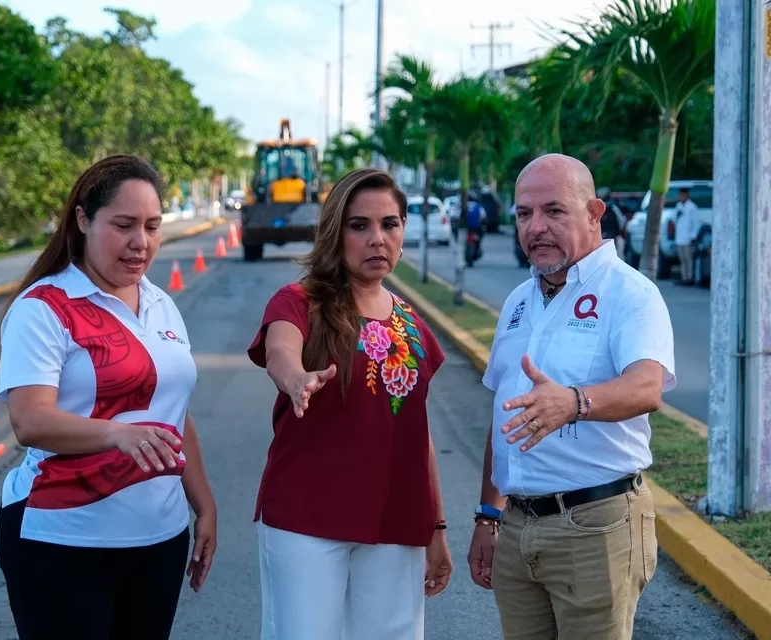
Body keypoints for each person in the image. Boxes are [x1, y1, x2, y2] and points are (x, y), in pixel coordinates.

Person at [0, 154, 217, 640]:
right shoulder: (44, 308)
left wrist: (204, 507)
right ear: (83, 219)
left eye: (152, 227)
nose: (141, 242)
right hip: (62, 537)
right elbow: (29, 420)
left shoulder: (161, 303)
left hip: (160, 538)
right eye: (123, 225)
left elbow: (175, 414)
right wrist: (117, 433)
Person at [467, 154, 675, 640]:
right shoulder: (519, 300)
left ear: (594, 213)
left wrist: (574, 403)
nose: (535, 227)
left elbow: (647, 386)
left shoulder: (630, 293)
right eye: (524, 214)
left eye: (554, 211)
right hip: (516, 527)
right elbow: (504, 415)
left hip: (596, 527)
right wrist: (488, 515)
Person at [247, 168, 453, 640]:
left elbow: (416, 433)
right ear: (335, 232)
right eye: (359, 225)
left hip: (397, 521)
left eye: (389, 224)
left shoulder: (412, 324)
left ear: (403, 231)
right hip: (307, 518)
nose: (377, 238)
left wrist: (437, 527)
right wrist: (295, 377)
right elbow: (280, 350)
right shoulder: (298, 301)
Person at [673, 187, 700, 285]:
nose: (681, 197)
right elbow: (673, 218)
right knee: (682, 259)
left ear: (687, 195)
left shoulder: (692, 207)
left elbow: (696, 223)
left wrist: (693, 236)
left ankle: (690, 278)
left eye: (683, 195)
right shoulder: (678, 206)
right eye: (680, 195)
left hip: (688, 238)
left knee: (689, 259)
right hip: (679, 237)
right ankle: (684, 277)